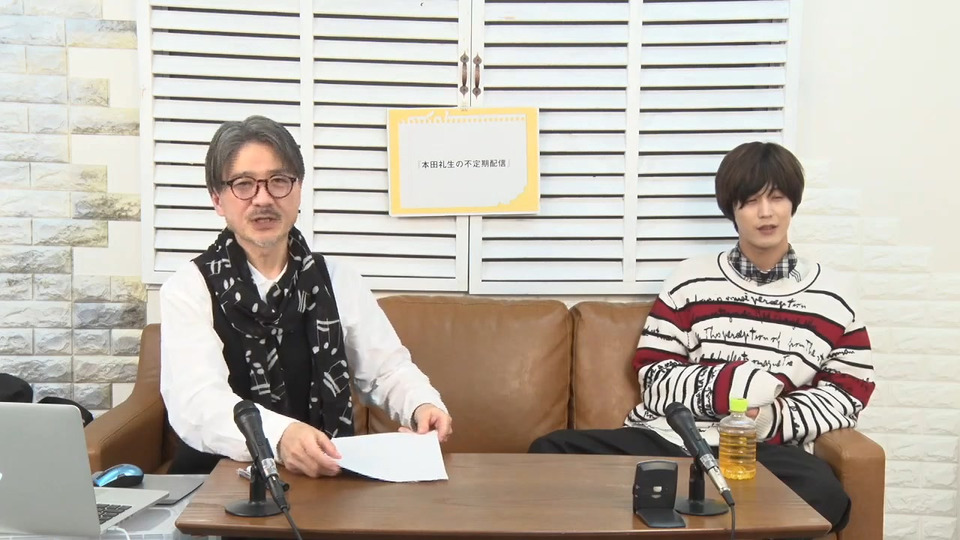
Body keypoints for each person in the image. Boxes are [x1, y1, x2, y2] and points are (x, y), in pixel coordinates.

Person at [529, 142, 874, 534]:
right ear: (732, 210)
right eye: (751, 201)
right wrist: (734, 386)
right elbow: (654, 377)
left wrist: (769, 418)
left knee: (825, 493)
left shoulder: (831, 297)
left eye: (777, 198)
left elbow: (848, 394)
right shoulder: (690, 279)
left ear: (793, 203)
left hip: (762, 450)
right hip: (671, 438)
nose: (766, 212)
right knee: (549, 452)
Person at [160, 115, 453, 477]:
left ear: (298, 190)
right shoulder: (189, 287)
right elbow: (197, 402)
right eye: (244, 184)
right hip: (217, 479)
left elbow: (386, 370)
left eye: (279, 181)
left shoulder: (338, 280)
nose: (263, 199)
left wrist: (421, 405)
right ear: (218, 200)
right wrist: (280, 436)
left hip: (324, 474)